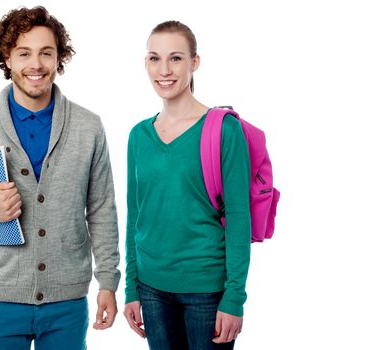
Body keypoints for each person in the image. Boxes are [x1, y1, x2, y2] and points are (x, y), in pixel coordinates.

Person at [0, 6, 120, 350]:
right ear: (7, 58)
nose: (35, 64)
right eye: (24, 53)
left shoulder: (88, 127)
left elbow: (101, 209)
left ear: (58, 58)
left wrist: (108, 281)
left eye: (45, 53)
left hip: (67, 300)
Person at [123, 20, 251, 350]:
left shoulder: (223, 130)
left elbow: (238, 218)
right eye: (154, 58)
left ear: (194, 63)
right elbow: (135, 215)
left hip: (207, 293)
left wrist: (234, 296)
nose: (164, 69)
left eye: (176, 58)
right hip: (151, 291)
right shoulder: (139, 135)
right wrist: (132, 288)